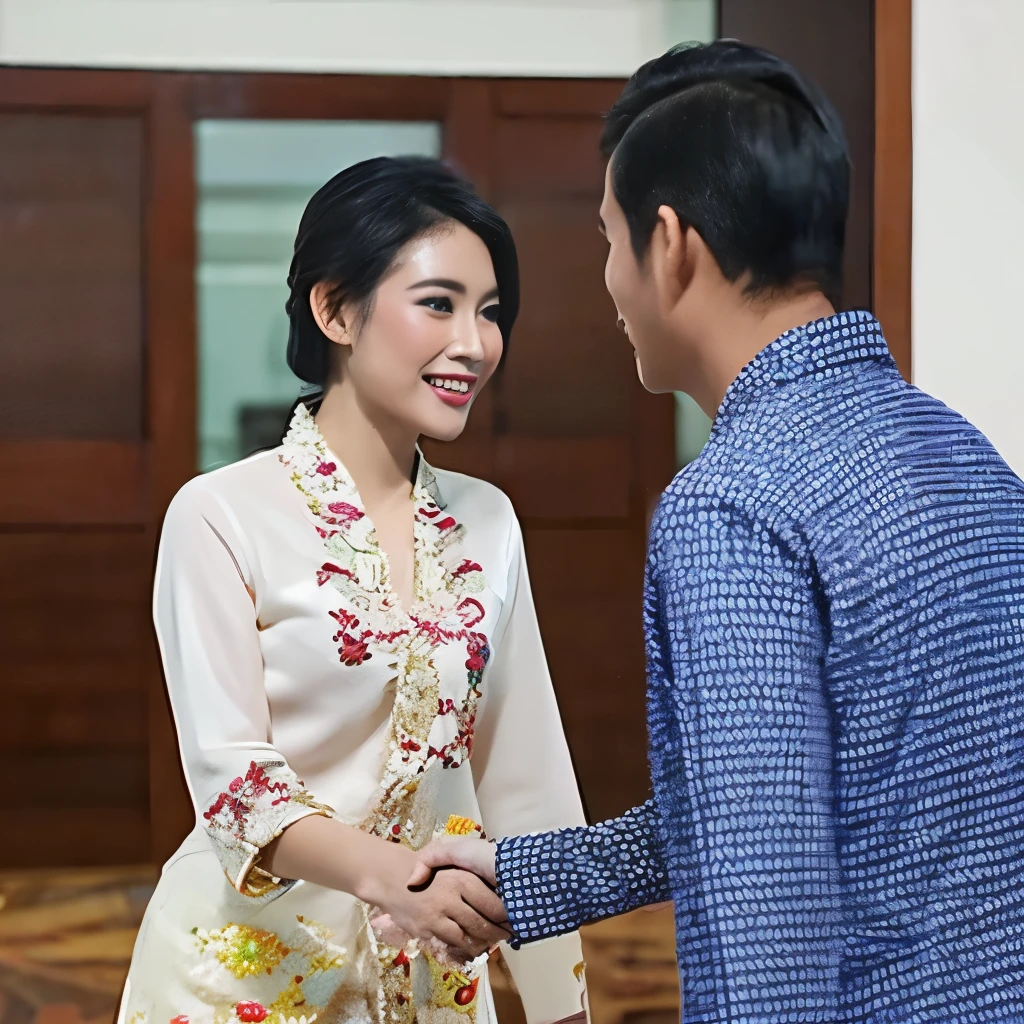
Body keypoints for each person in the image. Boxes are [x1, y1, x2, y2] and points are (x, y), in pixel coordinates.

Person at [405, 41, 1024, 1023]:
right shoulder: (964, 455)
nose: (608, 282)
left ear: (671, 244)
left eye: (607, 240)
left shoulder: (729, 505)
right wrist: (530, 876)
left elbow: (765, 908)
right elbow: (787, 799)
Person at [117, 157, 588, 1024]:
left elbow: (526, 780)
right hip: (243, 984)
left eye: (490, 312)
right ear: (335, 308)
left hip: (435, 979)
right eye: (438, 303)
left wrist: (562, 1003)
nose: (475, 343)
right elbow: (236, 788)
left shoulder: (488, 522)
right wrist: (402, 883)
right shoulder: (219, 516)